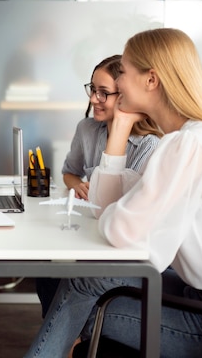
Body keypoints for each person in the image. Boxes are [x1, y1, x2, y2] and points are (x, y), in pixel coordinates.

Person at [25, 28, 202, 358]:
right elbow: (110, 206)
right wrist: (119, 128)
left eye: (126, 72)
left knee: (78, 294)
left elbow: (127, 233)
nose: (119, 85)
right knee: (75, 282)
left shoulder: (189, 144)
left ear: (151, 80)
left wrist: (115, 213)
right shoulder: (191, 138)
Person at [35, 55, 162, 318]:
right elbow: (69, 173)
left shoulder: (150, 146)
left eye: (103, 93)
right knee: (46, 273)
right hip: (90, 231)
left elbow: (130, 212)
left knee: (71, 278)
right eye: (92, 89)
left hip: (118, 245)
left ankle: (77, 330)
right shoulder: (87, 129)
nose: (93, 99)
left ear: (125, 95)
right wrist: (78, 185)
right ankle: (69, 335)